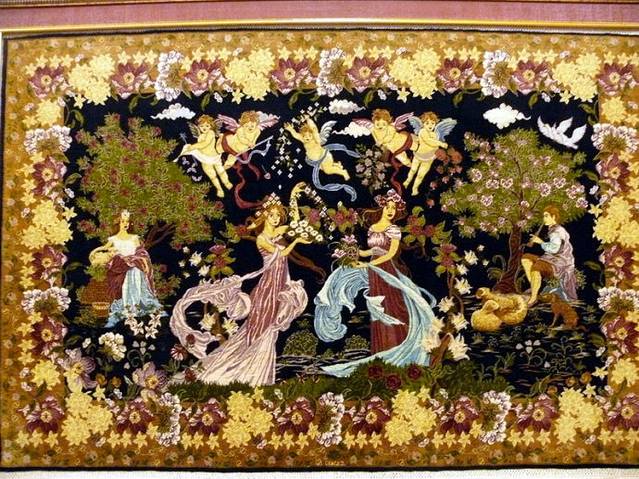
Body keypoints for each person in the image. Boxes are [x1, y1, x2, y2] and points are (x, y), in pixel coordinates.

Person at [170, 185, 310, 386]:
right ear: (265, 216)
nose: (276, 219)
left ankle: (260, 374)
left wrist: (294, 196)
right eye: (272, 215)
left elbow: (296, 224)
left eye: (278, 216)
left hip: (279, 285)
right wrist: (296, 242)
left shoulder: (278, 232)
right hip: (269, 286)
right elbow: (282, 253)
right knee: (262, 325)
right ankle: (247, 371)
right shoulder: (262, 239)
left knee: (271, 327)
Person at [314, 189, 437, 377]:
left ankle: (401, 354)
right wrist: (352, 252)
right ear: (382, 207)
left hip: (386, 271)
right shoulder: (373, 228)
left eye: (394, 208)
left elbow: (389, 254)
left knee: (392, 308)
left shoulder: (394, 230)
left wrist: (369, 264)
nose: (391, 211)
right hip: (374, 273)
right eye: (388, 207)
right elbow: (369, 251)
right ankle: (381, 356)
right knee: (378, 310)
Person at [89, 210, 163, 328]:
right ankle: (123, 313)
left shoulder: (134, 238)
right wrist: (97, 255)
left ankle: (136, 311)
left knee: (135, 274)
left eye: (127, 221)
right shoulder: (113, 239)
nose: (125, 224)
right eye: (123, 221)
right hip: (120, 268)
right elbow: (103, 250)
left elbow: (141, 253)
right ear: (118, 223)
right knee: (121, 284)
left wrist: (135, 260)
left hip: (135, 268)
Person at [285, 117, 358, 200]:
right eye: (305, 136)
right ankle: (337, 165)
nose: (307, 138)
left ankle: (343, 172)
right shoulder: (303, 140)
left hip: (324, 156)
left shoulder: (316, 139)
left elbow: (314, 128)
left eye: (309, 135)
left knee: (327, 170)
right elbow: (296, 135)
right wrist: (290, 129)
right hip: (319, 161)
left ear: (312, 135)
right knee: (326, 168)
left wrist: (308, 120)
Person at [521, 205, 578, 306]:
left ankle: (533, 298)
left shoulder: (558, 231)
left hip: (559, 263)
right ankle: (534, 287)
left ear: (554, 217)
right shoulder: (553, 229)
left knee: (536, 267)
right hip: (551, 259)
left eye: (546, 216)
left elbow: (554, 249)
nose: (544, 219)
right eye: (544, 216)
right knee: (526, 258)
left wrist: (540, 242)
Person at [179, 115, 232, 198]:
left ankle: (227, 183)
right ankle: (219, 189)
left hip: (214, 157)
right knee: (212, 175)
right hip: (204, 158)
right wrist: (191, 149)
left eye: (207, 126)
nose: (204, 128)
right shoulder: (200, 136)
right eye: (202, 126)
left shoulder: (211, 133)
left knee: (221, 171)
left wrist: (193, 146)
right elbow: (201, 146)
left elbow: (205, 143)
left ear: (211, 126)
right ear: (198, 127)